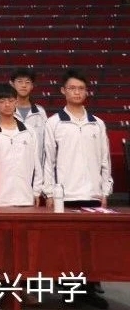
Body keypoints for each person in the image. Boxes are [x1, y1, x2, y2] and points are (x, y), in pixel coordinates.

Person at [43, 70, 112, 209]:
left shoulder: (97, 123)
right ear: (63, 90)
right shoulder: (53, 122)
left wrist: (105, 192)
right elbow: (48, 161)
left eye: (81, 88)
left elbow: (105, 161)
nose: (77, 92)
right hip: (64, 196)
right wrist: (49, 193)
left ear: (86, 92)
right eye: (72, 88)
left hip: (94, 196)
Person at [0, 83, 41, 207]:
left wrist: (36, 191)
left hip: (25, 197)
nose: (7, 105)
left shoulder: (29, 131)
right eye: (2, 101)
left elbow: (37, 163)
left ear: (16, 102)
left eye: (11, 101)